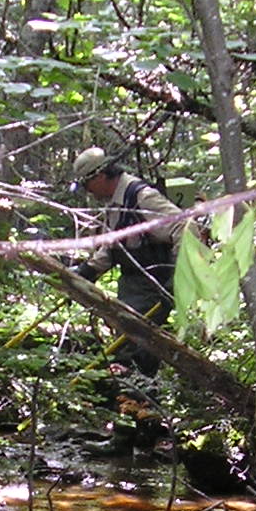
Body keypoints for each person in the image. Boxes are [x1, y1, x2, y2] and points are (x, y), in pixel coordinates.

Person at [70, 146, 193, 376]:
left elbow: (185, 226)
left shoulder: (141, 196)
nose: (88, 192)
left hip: (153, 283)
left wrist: (178, 276)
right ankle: (128, 399)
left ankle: (138, 402)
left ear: (100, 175)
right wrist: (87, 271)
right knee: (127, 342)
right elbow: (115, 243)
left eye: (87, 185)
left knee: (136, 348)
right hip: (131, 283)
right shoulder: (116, 201)